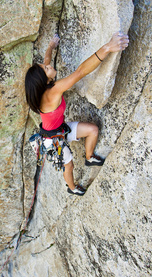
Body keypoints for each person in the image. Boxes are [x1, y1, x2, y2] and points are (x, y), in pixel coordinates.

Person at [25, 32, 129, 196]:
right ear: (42, 80)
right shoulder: (53, 92)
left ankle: (89, 157)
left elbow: (47, 59)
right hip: (52, 141)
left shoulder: (45, 84)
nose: (49, 66)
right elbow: (80, 72)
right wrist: (108, 47)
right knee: (69, 165)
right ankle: (72, 188)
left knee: (93, 130)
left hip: (60, 129)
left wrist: (51, 46)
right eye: (46, 69)